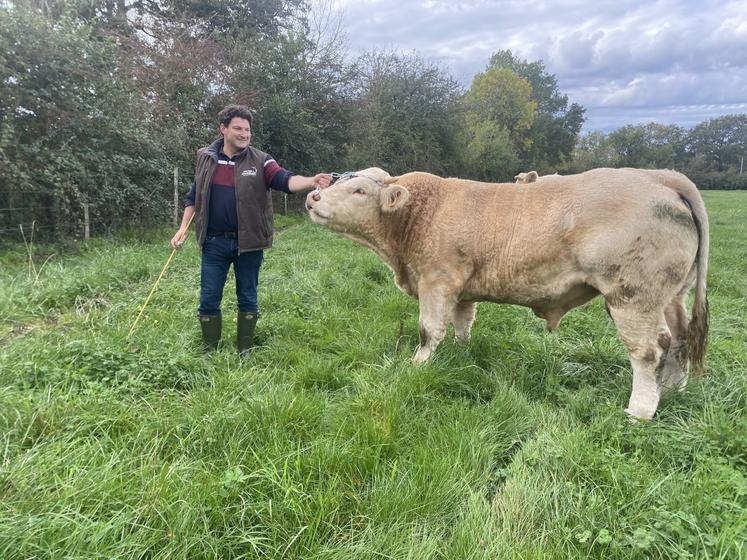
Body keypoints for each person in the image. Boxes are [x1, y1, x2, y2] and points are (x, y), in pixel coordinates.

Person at [170, 105, 331, 356]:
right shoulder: (207, 158)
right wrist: (182, 229)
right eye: (238, 128)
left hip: (249, 243)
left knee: (248, 296)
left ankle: (244, 349)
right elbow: (194, 197)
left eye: (247, 129)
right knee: (208, 298)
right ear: (223, 129)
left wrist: (310, 181)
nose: (244, 134)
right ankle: (210, 351)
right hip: (214, 243)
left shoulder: (261, 160)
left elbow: (285, 179)